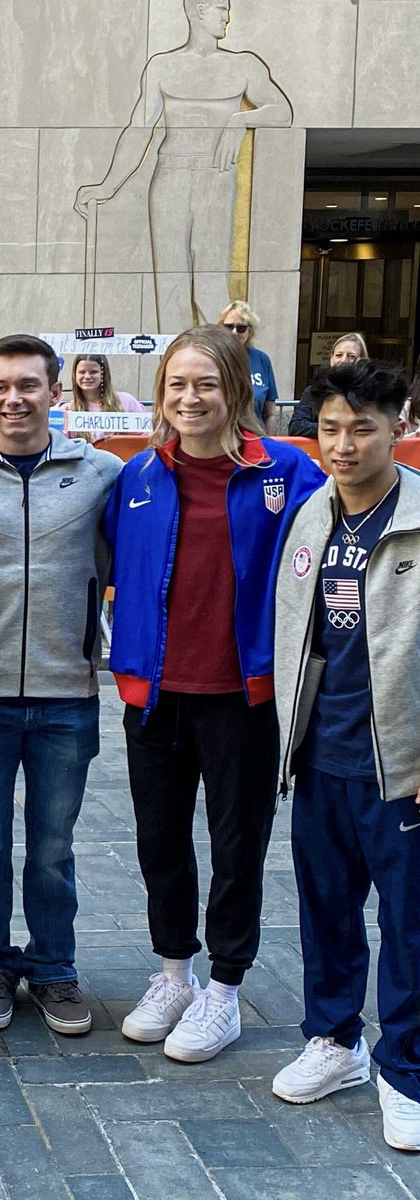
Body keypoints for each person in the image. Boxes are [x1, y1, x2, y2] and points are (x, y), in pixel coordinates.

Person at [104, 324, 324, 1063]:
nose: (190, 398)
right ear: (161, 394)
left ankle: (225, 987)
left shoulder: (287, 472)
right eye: (177, 384)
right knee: (160, 843)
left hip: (245, 699)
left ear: (237, 389)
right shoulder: (137, 476)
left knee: (237, 848)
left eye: (206, 383)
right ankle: (174, 971)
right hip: (158, 694)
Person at [0, 336, 122, 1037]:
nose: (14, 399)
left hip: (67, 693)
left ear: (55, 394)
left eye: (29, 386)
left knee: (52, 846)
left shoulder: (100, 473)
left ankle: (53, 968)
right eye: (2, 386)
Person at [272, 360, 420, 1151]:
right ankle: (336, 1043)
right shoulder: (310, 516)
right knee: (327, 912)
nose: (344, 444)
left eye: (363, 427)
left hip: (403, 766)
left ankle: (408, 1071)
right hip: (321, 756)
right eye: (330, 428)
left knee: (410, 927)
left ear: (400, 424)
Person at [74, 0, 292, 335]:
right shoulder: (164, 66)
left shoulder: (242, 65)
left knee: (210, 284)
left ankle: (216, 369)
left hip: (215, 178)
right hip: (170, 176)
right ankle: (173, 374)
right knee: (171, 284)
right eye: (220, 8)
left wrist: (241, 120)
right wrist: (108, 186)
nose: (227, 16)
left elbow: (281, 111)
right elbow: (140, 129)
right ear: (197, 11)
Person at [287, 333, 369, 438]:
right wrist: (333, 429)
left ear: (362, 361)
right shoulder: (314, 391)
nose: (344, 360)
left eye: (351, 356)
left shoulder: (371, 393)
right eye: (339, 355)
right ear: (331, 359)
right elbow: (296, 426)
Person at [218, 301, 278, 429]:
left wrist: (269, 443)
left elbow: (270, 413)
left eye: (241, 328)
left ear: (249, 331)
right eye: (228, 327)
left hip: (256, 439)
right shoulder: (212, 358)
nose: (234, 332)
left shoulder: (262, 359)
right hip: (220, 440)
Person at [58, 354, 144, 442]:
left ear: (103, 374)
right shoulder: (66, 411)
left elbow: (146, 437)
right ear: (75, 375)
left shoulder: (127, 401)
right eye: (82, 372)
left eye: (93, 372)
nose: (87, 377)